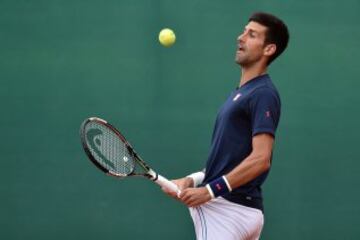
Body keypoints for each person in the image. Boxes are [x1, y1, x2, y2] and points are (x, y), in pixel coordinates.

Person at [163, 12, 289, 240]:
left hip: (225, 209)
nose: (240, 38)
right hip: (243, 209)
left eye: (252, 35)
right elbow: (230, 159)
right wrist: (193, 180)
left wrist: (209, 191)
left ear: (268, 49)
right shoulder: (242, 94)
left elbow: (261, 159)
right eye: (243, 31)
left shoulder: (263, 93)